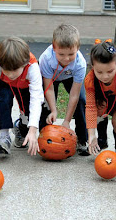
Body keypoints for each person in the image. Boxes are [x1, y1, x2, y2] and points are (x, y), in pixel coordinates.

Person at [38, 24, 89, 155]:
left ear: (78, 48)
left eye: (71, 54)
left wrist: (66, 121)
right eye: (61, 54)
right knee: (45, 104)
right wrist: (54, 110)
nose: (66, 59)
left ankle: (82, 140)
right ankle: (44, 138)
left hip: (70, 76)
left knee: (82, 101)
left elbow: (74, 94)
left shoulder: (80, 63)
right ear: (54, 48)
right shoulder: (46, 59)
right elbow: (48, 89)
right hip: (51, 77)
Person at [84, 39, 116, 162]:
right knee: (98, 112)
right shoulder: (90, 80)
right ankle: (101, 140)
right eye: (99, 72)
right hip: (102, 98)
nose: (105, 76)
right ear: (93, 67)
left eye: (110, 71)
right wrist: (91, 134)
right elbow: (91, 107)